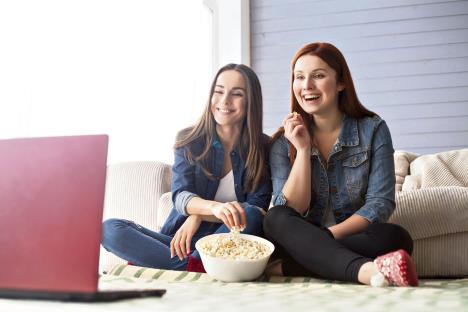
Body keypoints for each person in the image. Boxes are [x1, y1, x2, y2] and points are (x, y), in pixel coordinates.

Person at [263, 42, 418, 287]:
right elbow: (291, 210)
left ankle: (289, 266)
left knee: (396, 237)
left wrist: (325, 237)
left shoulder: (373, 129)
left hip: (347, 236)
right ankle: (365, 271)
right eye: (299, 77)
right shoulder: (283, 142)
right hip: (298, 236)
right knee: (275, 217)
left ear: (341, 83)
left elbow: (380, 203)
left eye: (319, 76)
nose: (306, 86)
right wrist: (303, 150)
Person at [102, 64, 271, 272]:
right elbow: (181, 195)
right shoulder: (189, 140)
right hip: (180, 241)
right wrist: (214, 208)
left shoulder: (263, 147)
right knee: (109, 229)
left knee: (252, 213)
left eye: (236, 94)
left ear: (251, 101)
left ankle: (170, 263)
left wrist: (198, 215)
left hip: (228, 241)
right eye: (218, 91)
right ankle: (195, 266)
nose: (224, 100)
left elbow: (257, 208)